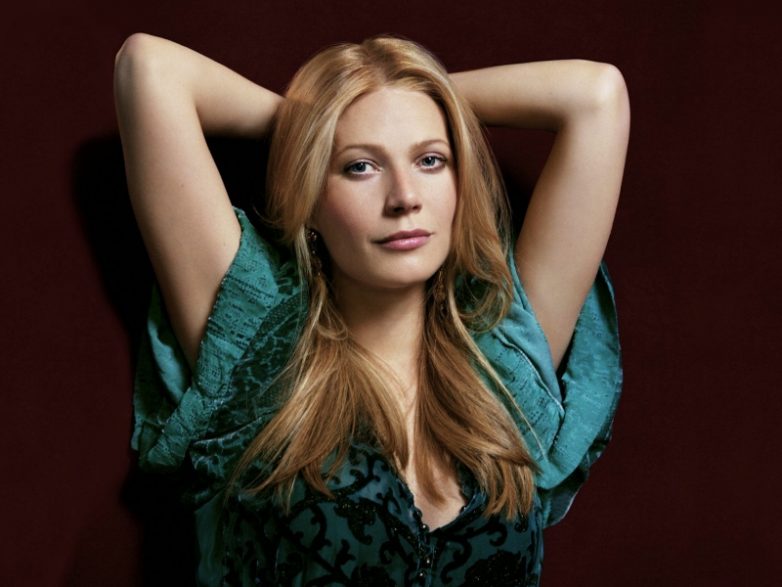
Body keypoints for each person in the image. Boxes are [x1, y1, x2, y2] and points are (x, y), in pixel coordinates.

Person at [115, 31, 629, 586]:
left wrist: (409, 100)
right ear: (310, 196)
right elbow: (149, 69)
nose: (405, 196)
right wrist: (317, 120)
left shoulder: (503, 360)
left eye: (430, 159)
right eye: (360, 166)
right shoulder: (256, 342)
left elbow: (596, 97)